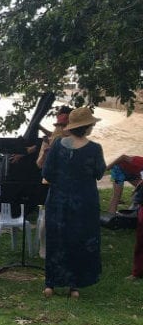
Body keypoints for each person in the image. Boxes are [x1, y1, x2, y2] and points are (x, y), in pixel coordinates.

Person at [42, 107, 105, 298]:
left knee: (56, 240)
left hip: (58, 200)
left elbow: (46, 173)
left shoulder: (58, 145)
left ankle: (50, 284)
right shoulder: (94, 149)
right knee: (78, 241)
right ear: (87, 127)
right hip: (84, 201)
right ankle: (74, 286)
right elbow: (99, 172)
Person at [35, 106, 72, 258]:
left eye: (64, 125)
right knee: (46, 220)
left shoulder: (75, 142)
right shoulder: (48, 141)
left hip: (70, 185)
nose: (62, 128)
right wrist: (45, 154)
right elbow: (39, 164)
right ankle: (44, 249)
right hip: (51, 185)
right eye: (60, 125)